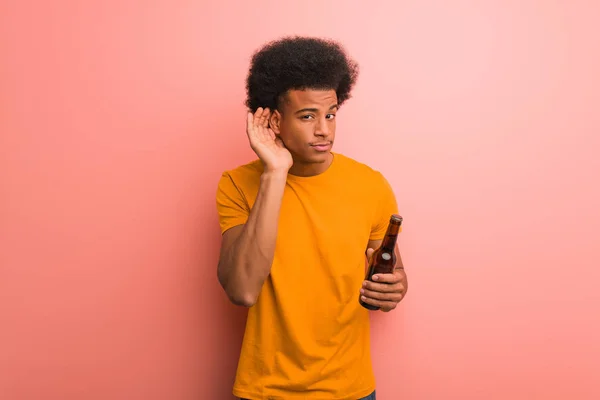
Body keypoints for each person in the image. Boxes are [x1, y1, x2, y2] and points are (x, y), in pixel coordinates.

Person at [215, 36, 408, 400]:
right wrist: (275, 172)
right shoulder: (237, 185)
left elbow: (392, 271)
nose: (325, 130)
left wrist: (395, 287)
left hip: (351, 390)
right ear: (273, 118)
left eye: (331, 114)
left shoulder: (371, 184)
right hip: (264, 390)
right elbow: (241, 290)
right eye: (307, 116)